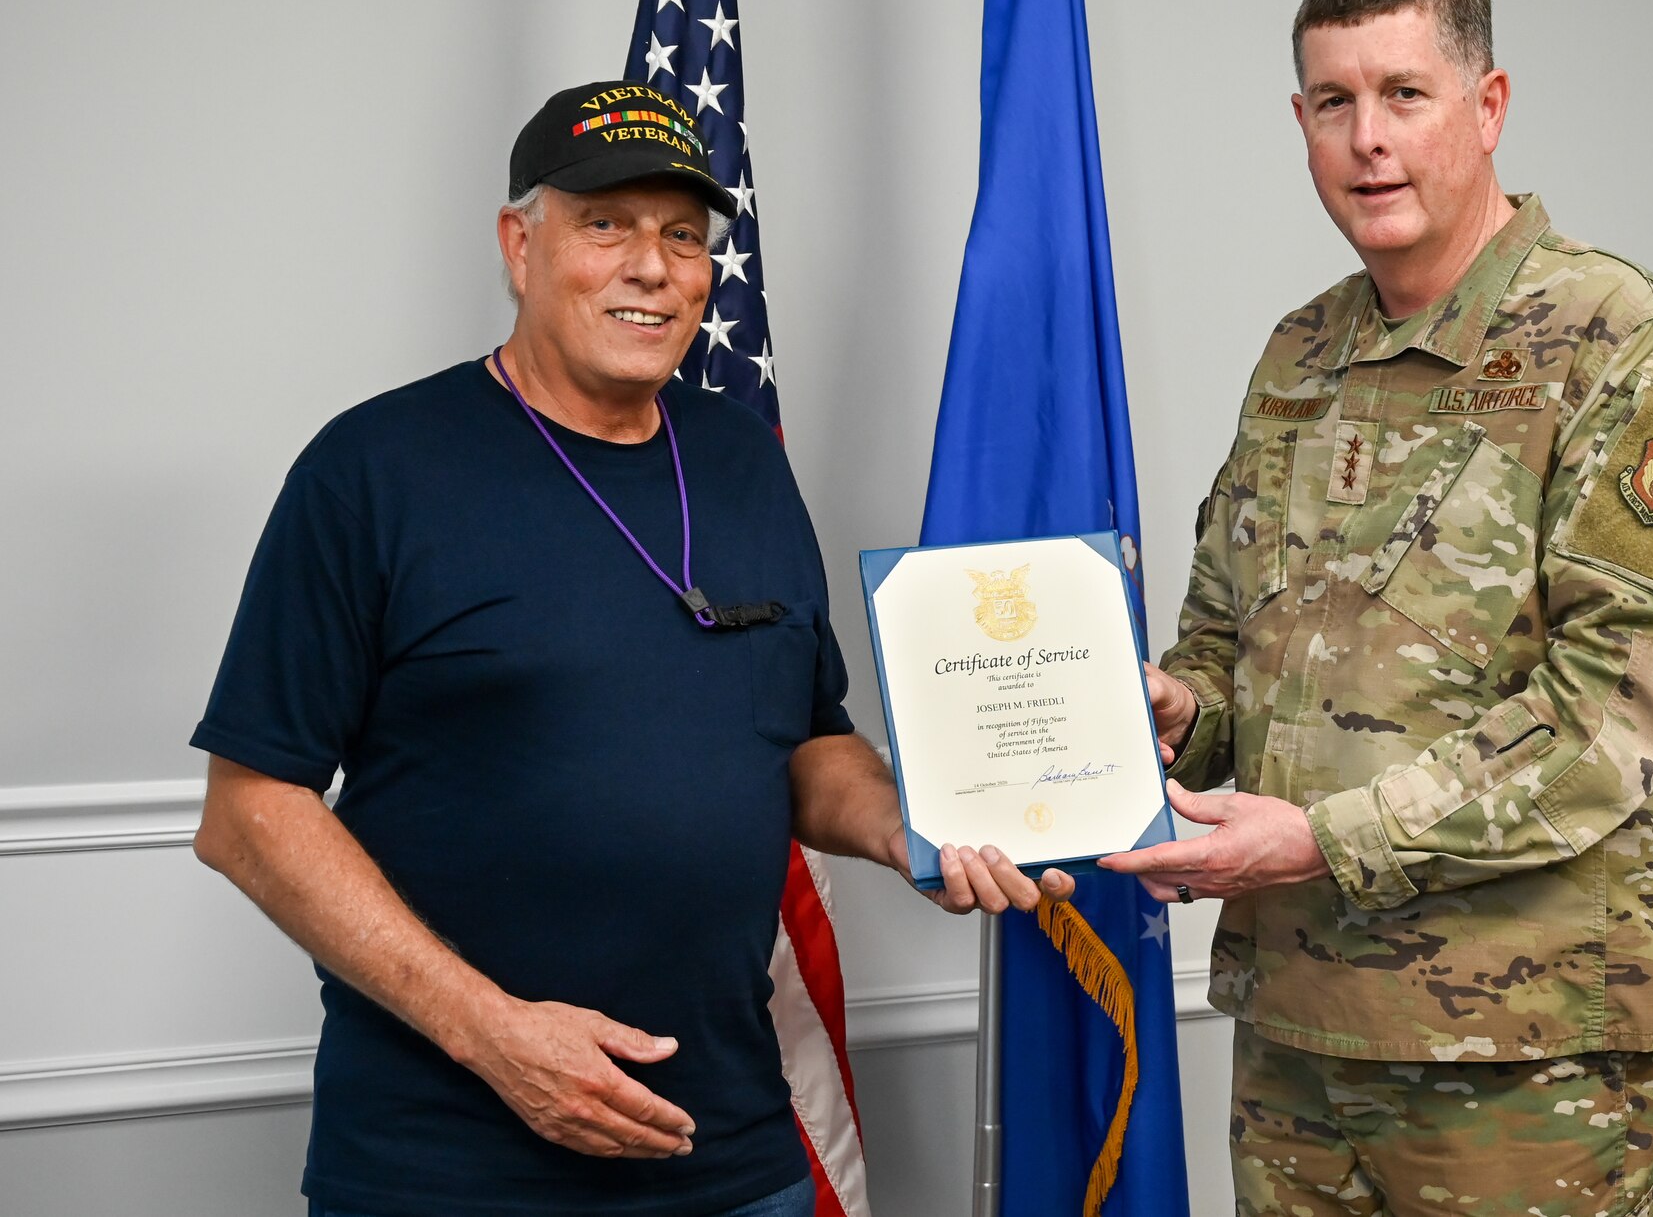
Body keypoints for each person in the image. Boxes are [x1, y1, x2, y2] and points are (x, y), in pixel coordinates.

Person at [191, 81, 1070, 1217]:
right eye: (605, 224)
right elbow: (248, 809)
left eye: (682, 235)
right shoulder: (373, 470)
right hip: (449, 1165)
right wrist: (493, 1032)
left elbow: (802, 734)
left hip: (733, 1155)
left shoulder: (745, 462)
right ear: (522, 243)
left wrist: (909, 823)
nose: (651, 266)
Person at [1102, 0, 1653, 1217]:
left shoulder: (1618, 342)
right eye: (1332, 102)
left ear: (1486, 105)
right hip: (1292, 1030)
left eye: (1403, 94)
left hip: (1512, 1052)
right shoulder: (1300, 349)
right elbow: (1229, 640)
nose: (1366, 140)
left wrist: (1322, 840)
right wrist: (1180, 708)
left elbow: (1613, 715)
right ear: (1299, 123)